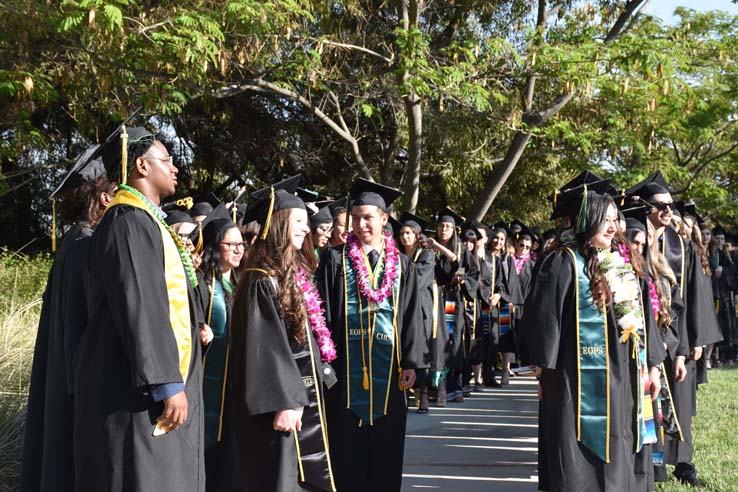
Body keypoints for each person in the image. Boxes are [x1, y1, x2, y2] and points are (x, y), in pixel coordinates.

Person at [73, 126, 206, 492]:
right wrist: (166, 382)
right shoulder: (128, 222)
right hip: (135, 393)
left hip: (146, 383)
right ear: (141, 166)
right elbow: (141, 305)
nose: (175, 168)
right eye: (167, 160)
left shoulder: (145, 221)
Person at [524, 190, 664, 492]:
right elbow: (544, 319)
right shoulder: (562, 262)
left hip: (622, 377)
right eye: (605, 219)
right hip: (573, 380)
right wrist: (541, 372)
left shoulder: (620, 264)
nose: (613, 227)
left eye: (615, 219)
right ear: (587, 221)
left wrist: (651, 364)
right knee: (576, 452)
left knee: (619, 445)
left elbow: (641, 320)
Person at [226, 176, 336, 492]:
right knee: (277, 478)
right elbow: (265, 348)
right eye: (298, 221)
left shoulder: (285, 275)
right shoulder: (261, 279)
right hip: (277, 409)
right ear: (279, 223)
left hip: (294, 400)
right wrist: (284, 401)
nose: (306, 228)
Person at [317, 179, 425, 492]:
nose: (361, 224)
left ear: (383, 219)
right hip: (345, 376)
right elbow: (321, 314)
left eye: (368, 217)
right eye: (355, 218)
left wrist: (412, 362)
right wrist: (326, 362)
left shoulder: (403, 266)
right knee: (346, 452)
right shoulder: (335, 261)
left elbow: (411, 316)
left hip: (390, 374)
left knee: (386, 450)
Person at [21, 147, 113, 492]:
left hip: (62, 373)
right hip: (79, 381)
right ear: (102, 198)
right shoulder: (88, 246)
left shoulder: (72, 242)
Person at [628, 173, 722, 487]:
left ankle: (683, 463)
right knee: (649, 404)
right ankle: (653, 465)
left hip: (676, 340)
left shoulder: (680, 246)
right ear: (645, 209)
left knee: (680, 404)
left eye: (671, 206)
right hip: (642, 339)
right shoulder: (633, 243)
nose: (670, 212)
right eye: (662, 206)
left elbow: (693, 295)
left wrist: (690, 343)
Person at [197, 218, 243, 492]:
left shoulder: (242, 281)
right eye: (231, 244)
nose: (239, 250)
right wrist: (200, 334)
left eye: (241, 244)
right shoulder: (203, 284)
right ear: (216, 246)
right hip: (209, 383)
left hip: (236, 384)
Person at [431, 207, 479, 403]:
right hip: (434, 298)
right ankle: (436, 388)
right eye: (441, 225)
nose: (444, 229)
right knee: (435, 342)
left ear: (454, 230)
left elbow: (473, 273)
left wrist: (463, 279)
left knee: (453, 342)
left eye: (448, 226)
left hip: (452, 300)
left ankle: (455, 387)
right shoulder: (428, 247)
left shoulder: (461, 249)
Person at [398, 212, 439, 413]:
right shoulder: (397, 254)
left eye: (409, 233)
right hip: (402, 304)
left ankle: (423, 394)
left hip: (421, 306)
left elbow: (420, 281)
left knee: (420, 348)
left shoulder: (427, 254)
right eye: (403, 233)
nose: (405, 237)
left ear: (417, 235)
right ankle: (404, 392)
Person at [487, 223, 523, 387]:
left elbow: (513, 282)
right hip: (489, 301)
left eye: (502, 239)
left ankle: (505, 372)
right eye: (496, 237)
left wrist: (510, 300)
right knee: (489, 336)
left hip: (504, 302)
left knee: (505, 336)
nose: (498, 241)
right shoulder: (486, 257)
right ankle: (490, 371)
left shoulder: (507, 259)